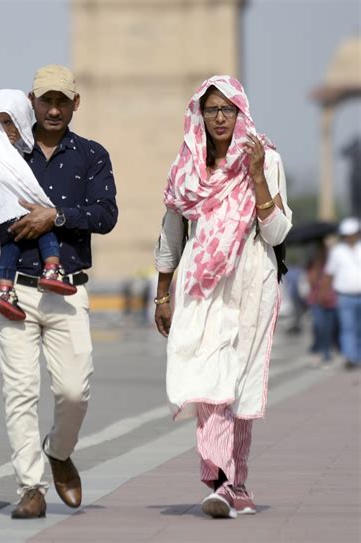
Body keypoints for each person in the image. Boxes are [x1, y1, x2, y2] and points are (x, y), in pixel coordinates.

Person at [154, 75, 292, 519]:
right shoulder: (185, 168)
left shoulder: (265, 159)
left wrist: (256, 178)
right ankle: (222, 479)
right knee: (208, 377)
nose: (219, 117)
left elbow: (278, 231)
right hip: (200, 281)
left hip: (251, 275)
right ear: (199, 112)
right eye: (211, 109)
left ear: (240, 113)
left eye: (227, 109)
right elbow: (171, 233)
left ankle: (233, 482)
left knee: (239, 382)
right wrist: (162, 294)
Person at [0, 65, 117, 518]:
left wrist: (56, 217)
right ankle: (30, 487)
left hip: (68, 290)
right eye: (46, 100)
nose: (55, 109)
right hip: (15, 290)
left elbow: (105, 215)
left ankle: (59, 452)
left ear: (75, 103)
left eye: (63, 100)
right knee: (20, 392)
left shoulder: (92, 155)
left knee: (72, 392)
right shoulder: (7, 155)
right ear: (32, 101)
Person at [0, 89, 76, 324]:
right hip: (3, 220)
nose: (9, 129)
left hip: (16, 221)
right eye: (3, 122)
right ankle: (51, 268)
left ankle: (5, 288)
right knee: (40, 222)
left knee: (32, 227)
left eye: (13, 122)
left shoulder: (25, 153)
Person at [324, 217, 361, 370]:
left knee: (358, 328)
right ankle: (350, 357)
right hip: (345, 296)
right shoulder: (337, 251)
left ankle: (356, 355)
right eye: (346, 235)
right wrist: (325, 292)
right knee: (348, 328)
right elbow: (329, 273)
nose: (349, 237)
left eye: (352, 234)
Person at [305, 241, 338, 367]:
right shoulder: (312, 265)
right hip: (316, 301)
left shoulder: (332, 264)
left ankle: (326, 353)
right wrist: (317, 268)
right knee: (319, 327)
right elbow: (311, 282)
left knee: (329, 328)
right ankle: (317, 349)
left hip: (330, 300)